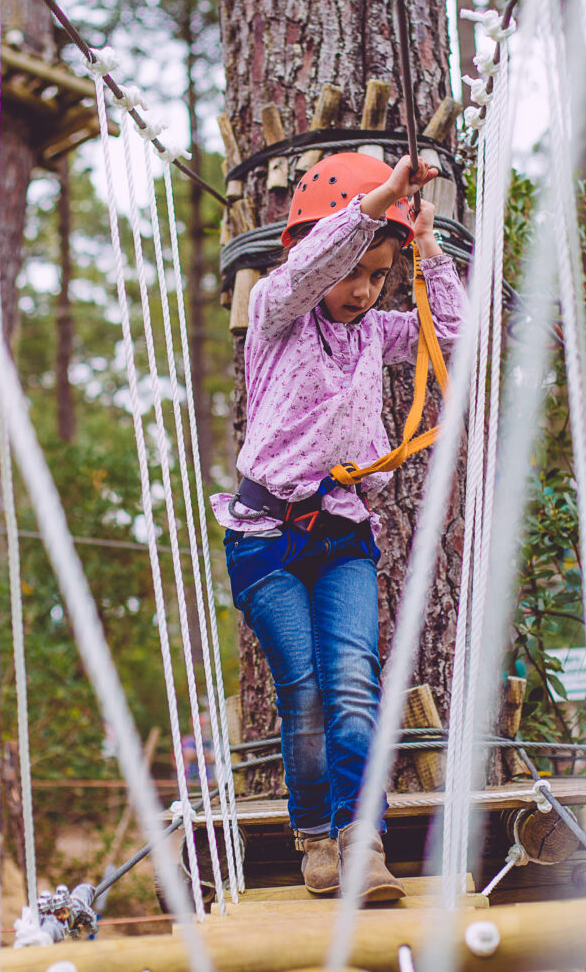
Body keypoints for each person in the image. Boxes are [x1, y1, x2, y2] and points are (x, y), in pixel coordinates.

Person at [211, 151, 467, 901]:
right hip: (265, 538)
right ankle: (314, 837)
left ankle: (363, 840)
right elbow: (308, 271)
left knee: (353, 684)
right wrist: (375, 204)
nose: (363, 289)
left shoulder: (374, 336)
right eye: (353, 271)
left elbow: (445, 331)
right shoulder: (275, 315)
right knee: (304, 693)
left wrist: (423, 249)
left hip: (343, 536)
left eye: (377, 276)